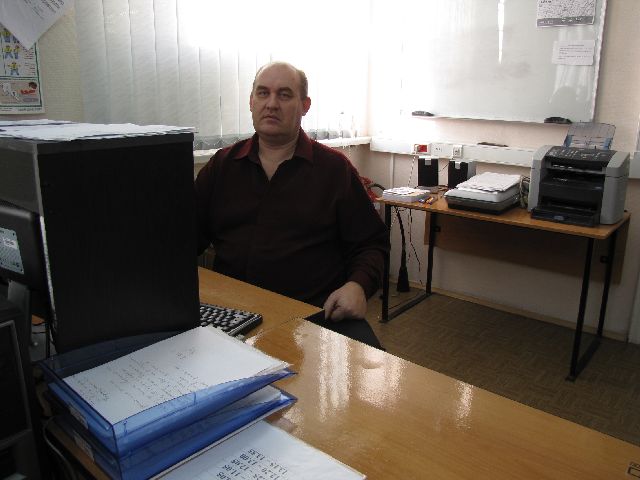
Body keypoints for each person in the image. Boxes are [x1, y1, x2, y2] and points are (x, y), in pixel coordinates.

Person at [195, 61, 389, 348]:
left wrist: (357, 285)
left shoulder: (334, 171)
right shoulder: (223, 166)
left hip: (313, 317)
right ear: (251, 102)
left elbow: (372, 244)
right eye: (263, 93)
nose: (272, 104)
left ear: (304, 105)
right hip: (232, 313)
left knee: (366, 372)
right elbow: (186, 235)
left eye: (284, 95)